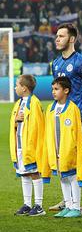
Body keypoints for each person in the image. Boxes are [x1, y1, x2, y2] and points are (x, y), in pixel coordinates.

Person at [50, 24, 82, 213]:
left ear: (71, 39)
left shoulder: (80, 62)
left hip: (78, 120)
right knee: (64, 159)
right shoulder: (55, 63)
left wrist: (80, 113)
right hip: (61, 120)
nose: (57, 39)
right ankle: (68, 200)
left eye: (61, 36)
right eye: (57, 36)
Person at [44, 77, 82, 218]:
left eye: (56, 89)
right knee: (63, 178)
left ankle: (76, 207)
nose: (53, 92)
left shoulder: (73, 108)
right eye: (52, 89)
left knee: (73, 177)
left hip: (69, 151)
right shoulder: (51, 108)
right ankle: (68, 205)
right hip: (55, 151)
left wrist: (77, 147)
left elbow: (78, 132)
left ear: (66, 90)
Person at [10, 74, 46, 217]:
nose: (15, 87)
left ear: (24, 88)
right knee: (24, 174)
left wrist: (35, 146)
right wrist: (15, 120)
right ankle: (27, 204)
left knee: (34, 173)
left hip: (31, 146)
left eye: (17, 85)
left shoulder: (34, 103)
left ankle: (39, 205)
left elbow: (38, 126)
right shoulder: (19, 103)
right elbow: (15, 123)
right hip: (19, 145)